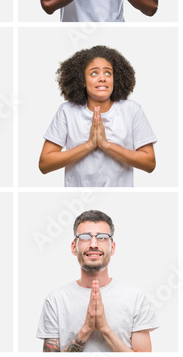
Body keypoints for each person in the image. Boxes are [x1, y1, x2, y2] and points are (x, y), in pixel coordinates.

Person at [37, 210, 158, 352]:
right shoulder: (55, 300)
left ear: (112, 247)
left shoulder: (137, 298)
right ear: (73, 247)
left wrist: (104, 329)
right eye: (84, 237)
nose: (93, 244)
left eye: (102, 237)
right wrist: (86, 329)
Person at [39, 45, 156, 187]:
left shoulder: (132, 110)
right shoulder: (67, 111)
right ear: (82, 81)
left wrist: (106, 145)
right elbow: (45, 164)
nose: (102, 78)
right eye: (94, 73)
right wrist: (89, 145)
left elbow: (149, 163)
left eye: (108, 73)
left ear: (115, 79)